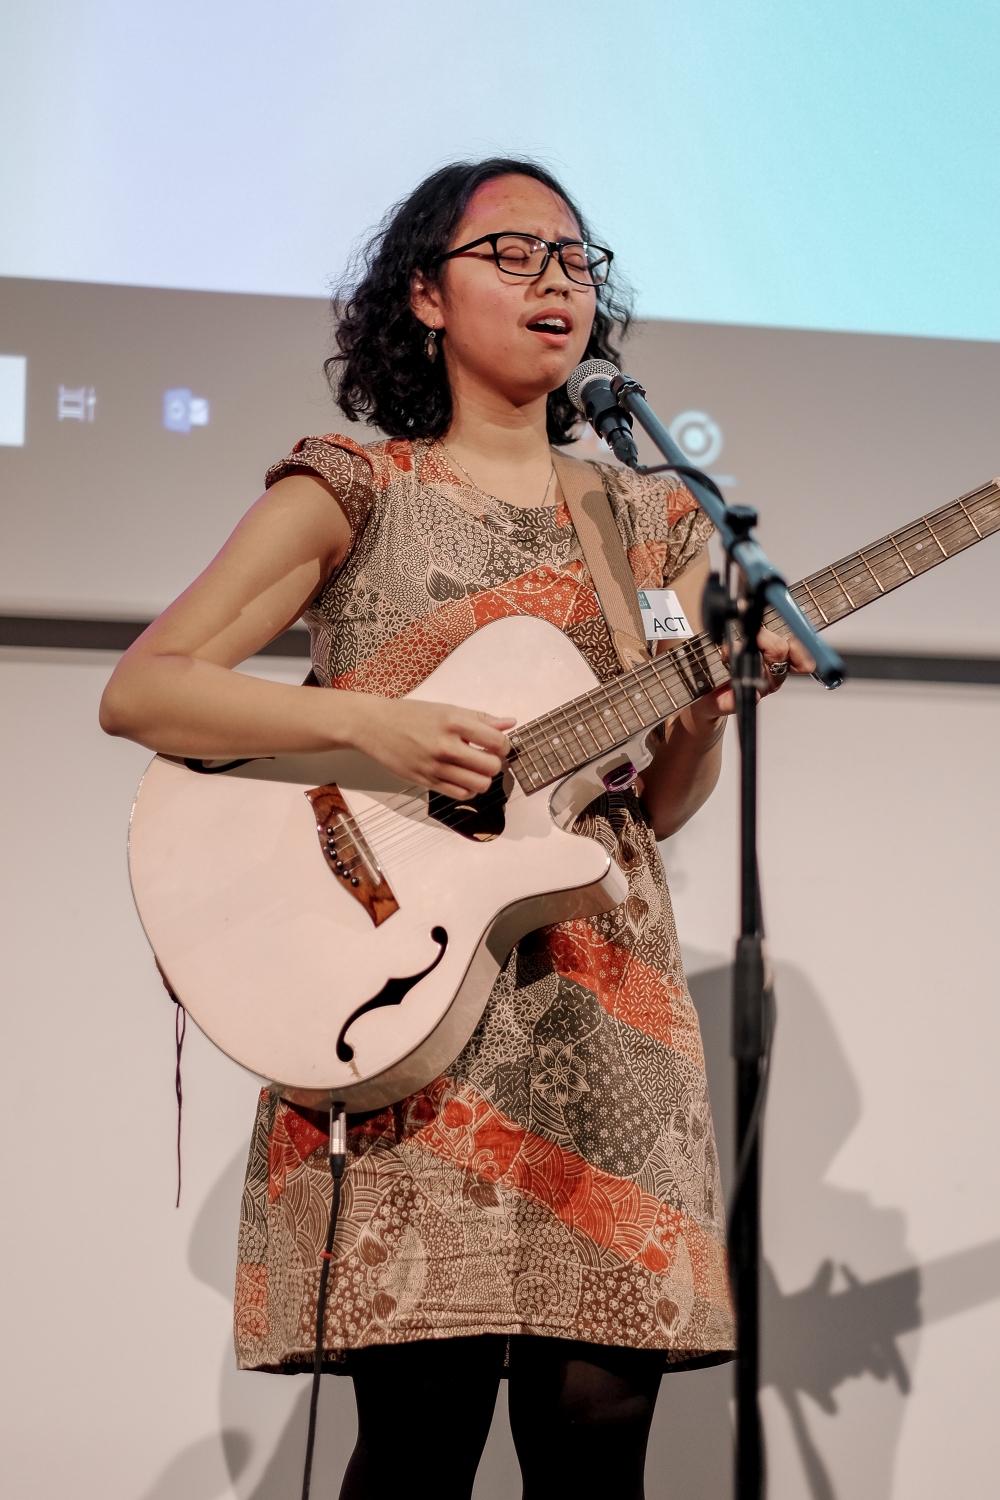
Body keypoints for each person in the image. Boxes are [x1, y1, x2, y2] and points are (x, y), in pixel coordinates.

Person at [100, 157, 812, 1499]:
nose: (558, 279)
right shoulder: (354, 486)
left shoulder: (650, 520)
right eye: (514, 253)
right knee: (421, 1440)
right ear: (425, 296)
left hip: (606, 1009)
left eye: (577, 258)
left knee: (601, 1434)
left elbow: (653, 808)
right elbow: (144, 690)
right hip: (407, 997)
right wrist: (379, 729)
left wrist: (708, 717)